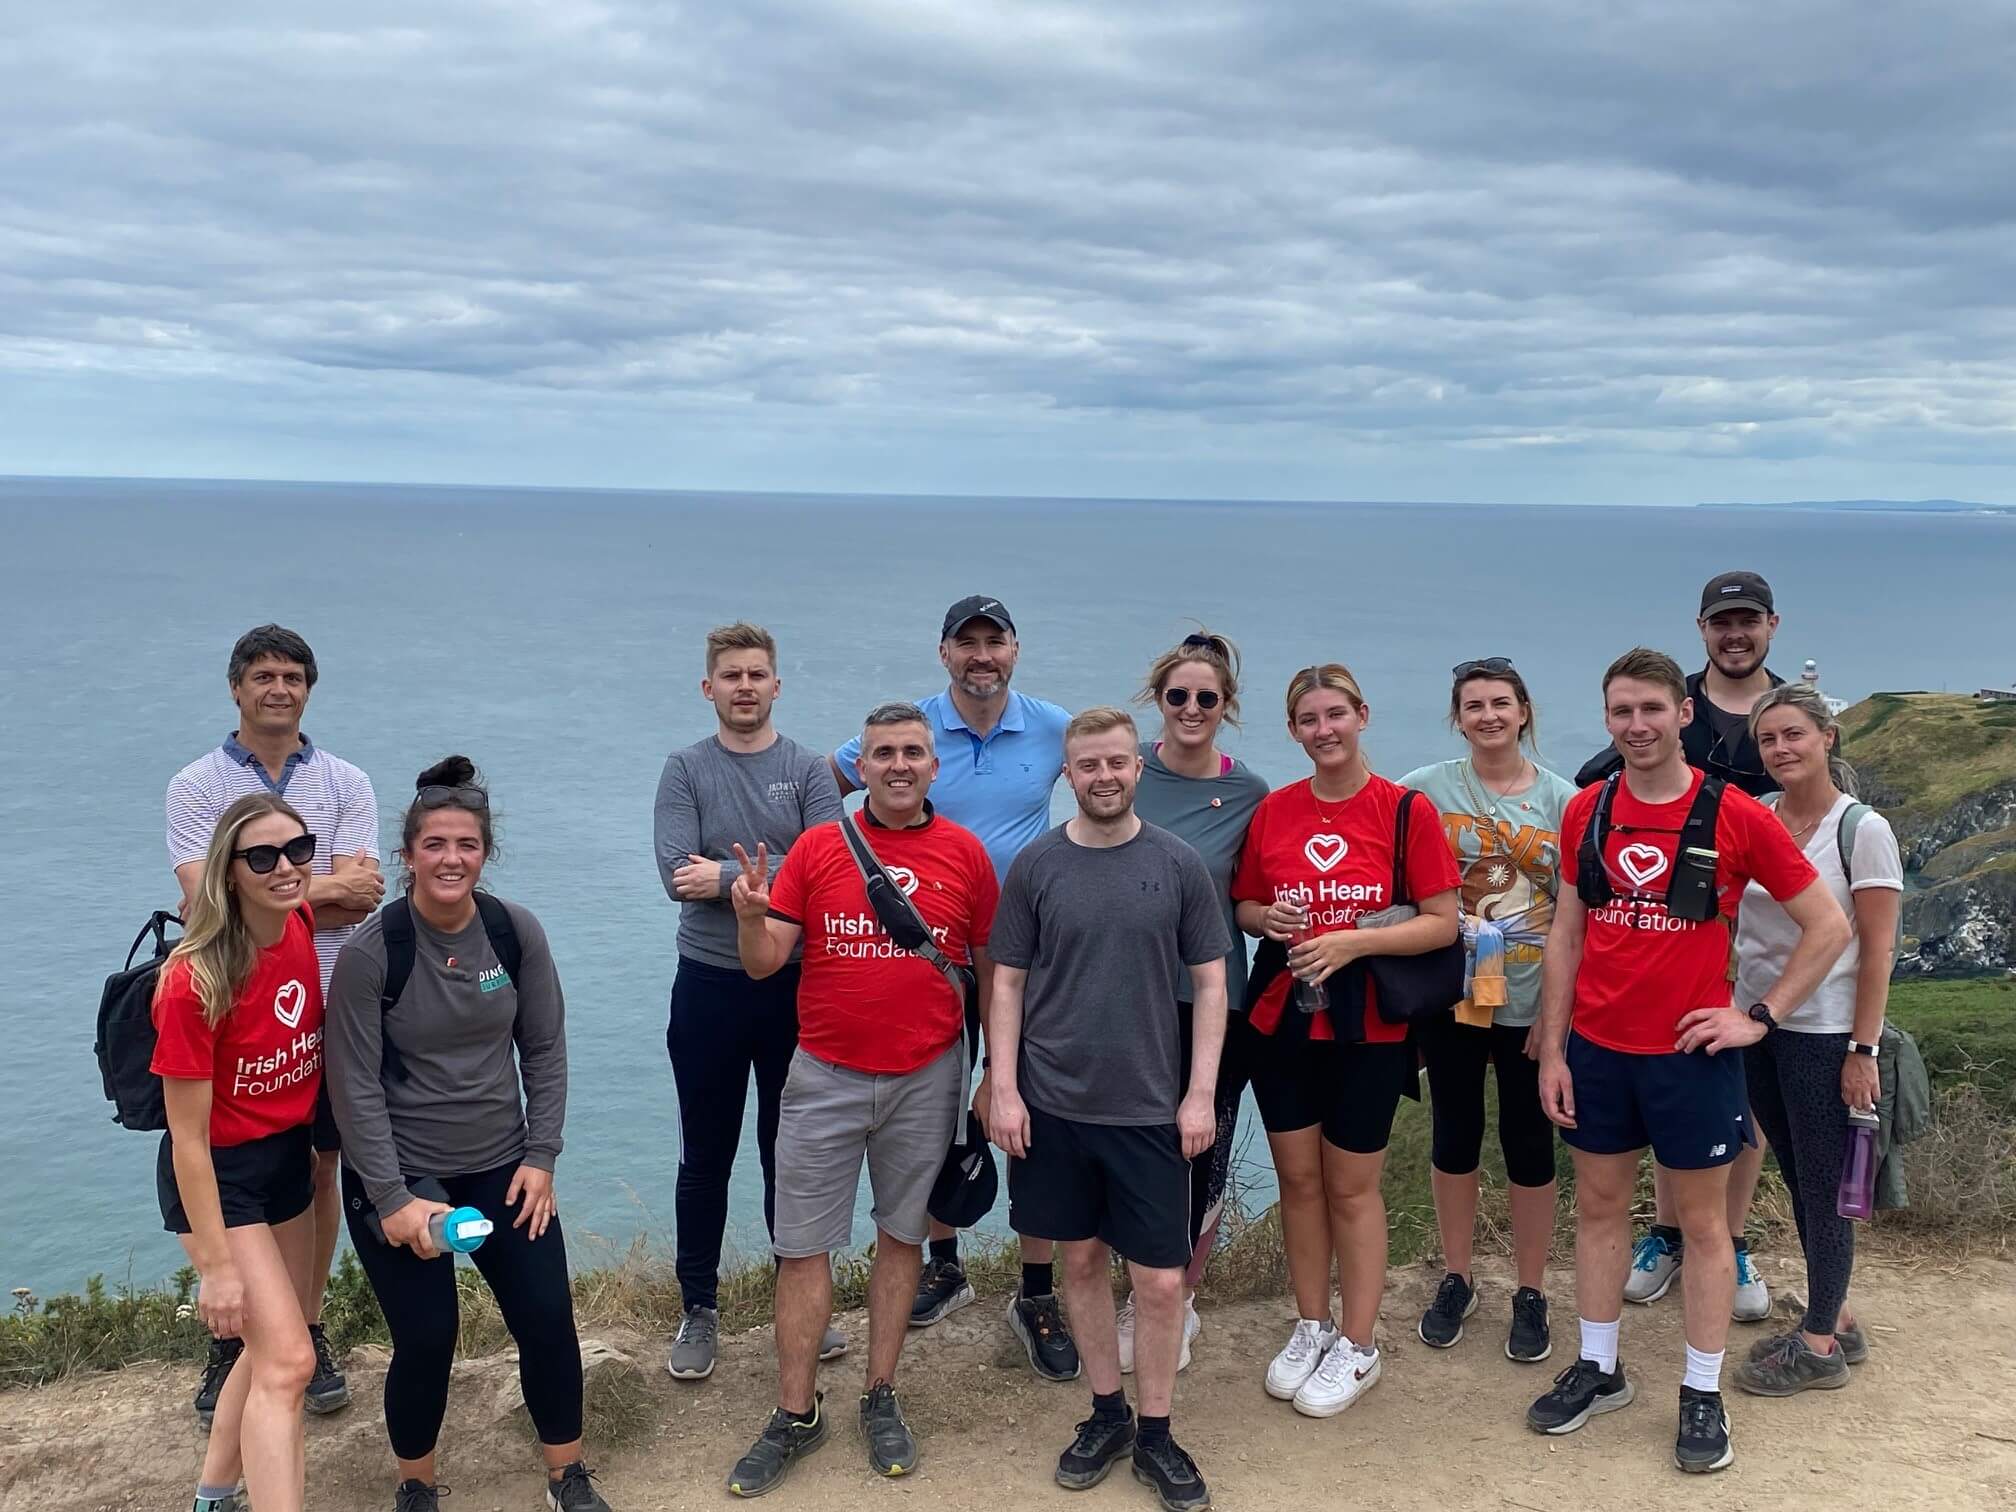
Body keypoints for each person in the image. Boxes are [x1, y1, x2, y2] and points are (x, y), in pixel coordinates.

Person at [1526, 648, 1849, 1475]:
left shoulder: (1735, 813)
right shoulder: (1588, 809)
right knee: (1599, 1210)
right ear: (1607, 719)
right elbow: (1568, 934)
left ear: (1683, 715)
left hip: (1690, 1054)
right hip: (1599, 1051)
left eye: (1651, 710)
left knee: (1704, 1228)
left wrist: (1758, 1018)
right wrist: (1553, 1048)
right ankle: (1599, 1367)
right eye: (1621, 711)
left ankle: (1701, 1392)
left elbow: (1829, 925)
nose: (1636, 726)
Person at [325, 758, 613, 1512]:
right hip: (402, 1175)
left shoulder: (513, 933)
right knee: (428, 1337)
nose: (451, 859)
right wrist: (392, 1199)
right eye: (435, 844)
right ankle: (416, 1487)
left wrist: (542, 1157)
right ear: (407, 855)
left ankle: (567, 1476)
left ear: (486, 852)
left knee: (546, 1319)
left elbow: (543, 1048)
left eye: (467, 844)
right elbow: (353, 1087)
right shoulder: (370, 953)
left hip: (503, 1166)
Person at [726, 704, 998, 1497]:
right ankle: (795, 1410)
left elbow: (993, 975)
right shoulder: (819, 847)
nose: (899, 765)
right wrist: (749, 917)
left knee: (902, 1236)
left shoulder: (967, 855)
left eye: (913, 751)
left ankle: (881, 1392)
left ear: (934, 766)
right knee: (802, 1247)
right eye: (883, 753)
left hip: (928, 1076)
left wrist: (993, 1074)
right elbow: (764, 962)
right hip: (824, 1075)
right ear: (862, 767)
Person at [828, 596, 1079, 1380]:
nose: (981, 656)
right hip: (930, 957)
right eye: (965, 643)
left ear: (1015, 649)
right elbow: (821, 788)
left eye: (993, 641)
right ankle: (945, 1264)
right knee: (933, 1113)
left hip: (1026, 955)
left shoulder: (1053, 727)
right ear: (943, 653)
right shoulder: (912, 731)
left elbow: (1116, 779)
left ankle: (1036, 1289)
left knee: (1032, 1113)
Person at [988, 706, 1230, 1512]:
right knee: (1082, 1263)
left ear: (1138, 768)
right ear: (1068, 774)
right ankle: (1107, 1414)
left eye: (1117, 763)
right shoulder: (1037, 865)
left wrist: (1200, 1095)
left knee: (1159, 1282)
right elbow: (1008, 982)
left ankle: (1157, 1433)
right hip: (1054, 1103)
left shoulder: (1177, 863)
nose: (1104, 777)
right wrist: (1005, 1088)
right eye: (1088, 765)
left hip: (1149, 1107)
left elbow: (1211, 984)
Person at [1230, 664, 1462, 1418]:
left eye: (1335, 714)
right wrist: (1267, 919)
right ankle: (1312, 1324)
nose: (1323, 730)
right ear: (1293, 730)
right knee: (1298, 1181)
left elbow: (1443, 922)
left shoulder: (1404, 810)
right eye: (1308, 719)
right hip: (1284, 1016)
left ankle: (1359, 1344)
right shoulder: (1276, 809)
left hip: (1371, 1025)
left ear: (1362, 715)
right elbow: (1245, 902)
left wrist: (1352, 941)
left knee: (1352, 1187)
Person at [167, 624, 381, 1424]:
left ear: (309, 690)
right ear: (236, 687)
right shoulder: (195, 786)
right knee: (228, 1164)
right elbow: (200, 899)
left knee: (317, 1172)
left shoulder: (346, 781)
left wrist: (269, 886)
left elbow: (367, 893)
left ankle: (306, 1324)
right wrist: (319, 887)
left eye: (293, 676)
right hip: (237, 1014)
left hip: (331, 1012)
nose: (279, 689)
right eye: (263, 675)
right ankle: (234, 1336)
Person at [1576, 575, 1785, 1316]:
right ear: (1702, 629)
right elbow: (1610, 791)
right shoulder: (1667, 706)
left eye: (1747, 620)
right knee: (1678, 1084)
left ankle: (1730, 1240)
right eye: (1721, 622)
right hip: (1679, 930)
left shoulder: (1787, 712)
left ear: (1772, 625)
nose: (1735, 634)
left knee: (1742, 1105)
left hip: (1763, 931)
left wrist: (1764, 1009)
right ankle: (1668, 1236)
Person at [654, 622, 844, 1382]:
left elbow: (830, 869)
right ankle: (698, 1307)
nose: (744, 687)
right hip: (708, 984)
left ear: (776, 686)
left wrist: (728, 879)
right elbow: (676, 873)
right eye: (730, 676)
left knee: (788, 1153)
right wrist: (768, 881)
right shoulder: (685, 768)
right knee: (705, 1155)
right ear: (709, 688)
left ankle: (797, 1304)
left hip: (796, 985)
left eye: (756, 674)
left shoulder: (806, 770)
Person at [152, 793, 325, 1512]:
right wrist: (218, 1269)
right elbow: (188, 1139)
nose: (285, 868)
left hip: (286, 1159)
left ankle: (213, 1496)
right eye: (262, 857)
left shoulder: (300, 924)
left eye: (298, 849)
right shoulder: (192, 983)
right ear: (229, 871)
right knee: (290, 1362)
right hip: (219, 1179)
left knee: (270, 1353)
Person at [1401, 658, 1577, 1362]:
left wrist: (1557, 1019)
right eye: (1474, 706)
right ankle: (1458, 1276)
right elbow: (1390, 861)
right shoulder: (1424, 789)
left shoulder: (1565, 801)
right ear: (1458, 717)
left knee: (1529, 1143)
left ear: (1524, 710)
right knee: (1455, 1133)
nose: (1489, 716)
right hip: (1454, 994)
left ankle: (1531, 1289)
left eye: (1501, 703)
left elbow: (1577, 917)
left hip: (1533, 996)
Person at [1732, 684, 1902, 1396]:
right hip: (1757, 1024)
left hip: (1824, 1033)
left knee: (1826, 1189)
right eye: (1768, 739)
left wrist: (1863, 1051)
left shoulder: (1860, 830)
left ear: (1827, 737)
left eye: (1793, 734)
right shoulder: (1761, 816)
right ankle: (1838, 1317)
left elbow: (1879, 950)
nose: (1781, 749)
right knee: (1800, 1177)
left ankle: (1819, 1345)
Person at [1119, 631, 1267, 1376]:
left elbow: (1250, 896)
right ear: (1158, 699)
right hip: (1123, 996)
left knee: (1199, 1148)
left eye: (1207, 697)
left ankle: (1180, 1297)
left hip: (1212, 1001)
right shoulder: (1124, 770)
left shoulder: (1249, 792)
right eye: (1178, 695)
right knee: (1132, 1146)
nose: (1191, 708)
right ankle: (1142, 1291)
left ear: (1226, 705)